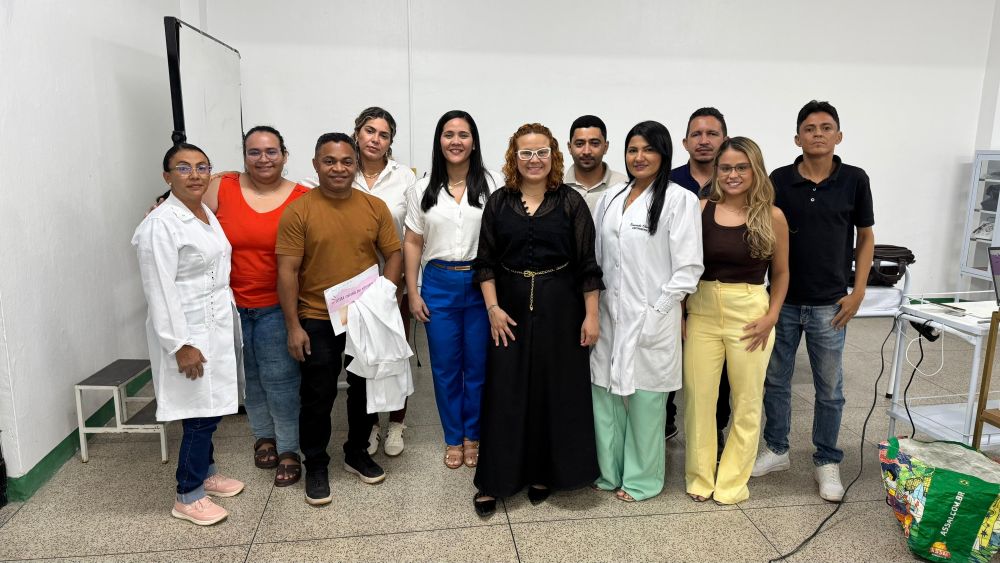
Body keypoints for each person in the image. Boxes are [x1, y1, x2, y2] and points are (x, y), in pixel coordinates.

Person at [471, 123, 603, 516]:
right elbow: (484, 262)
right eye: (526, 153)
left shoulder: (571, 202)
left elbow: (588, 265)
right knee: (505, 390)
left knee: (554, 390)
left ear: (553, 155)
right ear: (514, 158)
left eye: (541, 152)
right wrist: (493, 309)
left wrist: (591, 315)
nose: (534, 160)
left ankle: (545, 472)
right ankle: (495, 479)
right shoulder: (499, 202)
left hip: (562, 307)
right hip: (507, 309)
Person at [751, 100, 875, 503]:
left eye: (825, 127)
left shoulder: (854, 179)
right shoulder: (779, 179)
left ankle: (826, 459)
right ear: (797, 138)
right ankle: (777, 449)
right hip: (783, 301)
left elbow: (865, 237)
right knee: (776, 380)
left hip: (830, 305)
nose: (817, 134)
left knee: (830, 387)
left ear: (838, 136)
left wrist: (858, 292)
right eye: (809, 128)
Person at [276, 133, 403, 506]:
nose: (338, 168)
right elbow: (287, 271)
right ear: (316, 165)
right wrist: (293, 326)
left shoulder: (374, 207)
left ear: (356, 165)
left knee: (363, 388)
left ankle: (356, 452)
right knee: (318, 394)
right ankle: (316, 463)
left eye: (347, 161)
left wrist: (383, 296)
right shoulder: (299, 211)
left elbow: (394, 255)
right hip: (317, 316)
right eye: (329, 161)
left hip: (363, 316)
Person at [590, 121, 703, 502]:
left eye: (648, 149)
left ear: (664, 153)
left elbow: (689, 268)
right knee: (604, 394)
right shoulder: (610, 198)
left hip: (652, 315)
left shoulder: (679, 200)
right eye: (633, 149)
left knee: (645, 401)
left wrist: (659, 311)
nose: (639, 157)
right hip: (609, 313)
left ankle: (642, 480)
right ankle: (608, 472)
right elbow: (598, 257)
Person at [133, 143, 245, 526]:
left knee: (208, 408)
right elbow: (159, 290)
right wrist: (180, 345)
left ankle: (207, 472)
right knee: (199, 416)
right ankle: (188, 493)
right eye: (183, 168)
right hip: (188, 333)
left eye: (201, 167)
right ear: (167, 176)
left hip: (214, 324)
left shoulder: (203, 213)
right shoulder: (160, 225)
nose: (194, 174)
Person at [683, 137, 789, 505]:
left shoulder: (772, 216)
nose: (732, 174)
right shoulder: (699, 209)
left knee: (746, 401)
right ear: (716, 171)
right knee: (698, 399)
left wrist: (771, 317)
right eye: (725, 167)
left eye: (741, 167)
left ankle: (731, 482)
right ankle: (700, 477)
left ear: (755, 170)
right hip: (702, 310)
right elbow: (683, 267)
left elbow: (781, 273)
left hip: (750, 313)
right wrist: (681, 314)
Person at [203, 126, 308, 487]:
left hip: (279, 306)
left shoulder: (302, 197)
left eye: (271, 151)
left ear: (284, 155)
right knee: (251, 378)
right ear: (245, 155)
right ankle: (263, 436)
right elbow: (184, 214)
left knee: (281, 379)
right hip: (229, 306)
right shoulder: (222, 187)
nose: (263, 159)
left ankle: (289, 448)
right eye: (254, 152)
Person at [403, 110, 503, 469]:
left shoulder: (494, 184)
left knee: (478, 365)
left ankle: (473, 435)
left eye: (463, 134)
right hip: (438, 283)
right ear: (439, 141)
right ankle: (452, 437)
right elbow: (413, 241)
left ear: (474, 142)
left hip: (481, 283)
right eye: (449, 134)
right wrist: (414, 291)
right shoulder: (420, 189)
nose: (456, 141)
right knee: (445, 367)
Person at [665, 107, 733, 448]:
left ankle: (716, 429)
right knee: (666, 359)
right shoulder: (668, 182)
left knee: (719, 373)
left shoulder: (736, 181)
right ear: (685, 142)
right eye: (697, 134)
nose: (704, 140)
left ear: (725, 139)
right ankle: (664, 421)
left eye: (712, 134)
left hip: (717, 292)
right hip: (672, 291)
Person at [563, 115, 628, 212]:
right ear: (569, 147)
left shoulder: (624, 186)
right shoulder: (555, 184)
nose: (587, 151)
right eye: (579, 144)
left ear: (605, 147)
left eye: (595, 143)